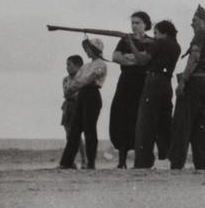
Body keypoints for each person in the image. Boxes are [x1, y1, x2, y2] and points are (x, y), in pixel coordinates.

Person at [169, 5, 205, 170]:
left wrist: (183, 81)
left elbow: (195, 57)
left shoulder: (201, 33)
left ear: (204, 21)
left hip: (195, 83)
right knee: (202, 126)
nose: (192, 24)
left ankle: (176, 164)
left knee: (182, 124)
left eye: (194, 20)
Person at [128, 20, 181, 169]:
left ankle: (143, 162)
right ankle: (166, 159)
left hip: (153, 82)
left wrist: (131, 44)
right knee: (164, 123)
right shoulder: (176, 46)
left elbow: (142, 60)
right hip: (166, 83)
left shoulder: (159, 43)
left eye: (156, 33)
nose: (154, 36)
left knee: (145, 124)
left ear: (163, 32)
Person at [109, 11, 153, 168]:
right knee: (122, 117)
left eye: (138, 22)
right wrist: (134, 60)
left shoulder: (151, 41)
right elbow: (115, 57)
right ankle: (121, 161)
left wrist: (130, 57)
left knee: (140, 119)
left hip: (142, 83)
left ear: (145, 24)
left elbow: (148, 59)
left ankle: (139, 160)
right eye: (132, 22)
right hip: (126, 82)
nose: (134, 25)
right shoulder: (125, 39)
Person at [58, 38, 107, 169]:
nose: (87, 52)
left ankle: (91, 162)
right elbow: (78, 80)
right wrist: (74, 86)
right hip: (83, 95)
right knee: (75, 130)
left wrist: (74, 86)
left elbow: (87, 79)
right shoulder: (86, 66)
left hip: (92, 95)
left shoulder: (101, 64)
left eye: (89, 49)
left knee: (89, 129)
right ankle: (66, 162)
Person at [61, 55, 87, 168]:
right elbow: (66, 92)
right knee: (68, 134)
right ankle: (71, 161)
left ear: (78, 66)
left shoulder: (83, 78)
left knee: (76, 135)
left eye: (69, 65)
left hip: (78, 106)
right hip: (68, 106)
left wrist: (73, 91)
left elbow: (77, 93)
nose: (67, 67)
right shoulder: (66, 79)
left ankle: (84, 160)